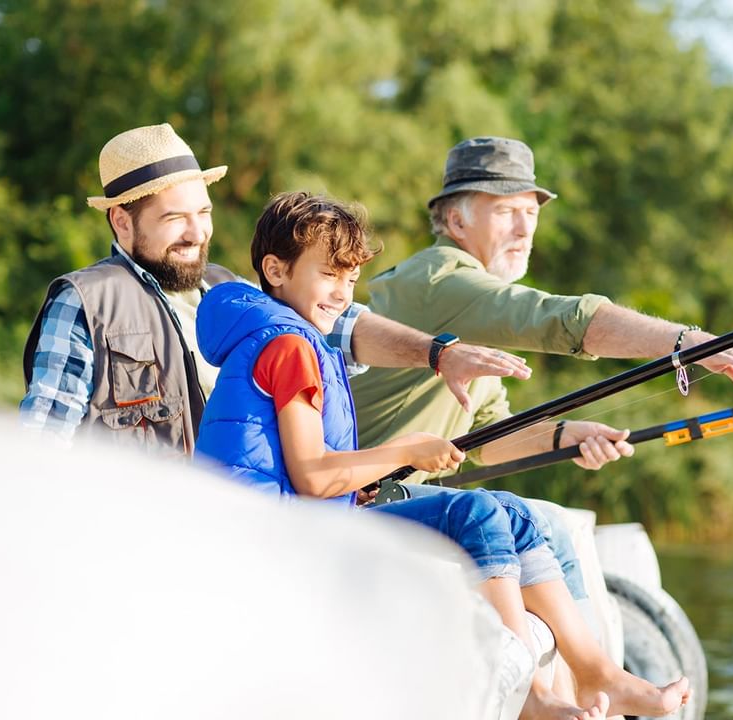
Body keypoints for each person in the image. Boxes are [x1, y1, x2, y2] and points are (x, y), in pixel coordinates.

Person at [193, 191, 691, 719]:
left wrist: (363, 478)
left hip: (312, 515)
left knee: (516, 514)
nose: (342, 295)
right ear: (275, 269)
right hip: (284, 533)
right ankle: (523, 691)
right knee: (474, 512)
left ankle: (598, 676)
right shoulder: (290, 346)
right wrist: (405, 451)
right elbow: (314, 476)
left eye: (351, 280)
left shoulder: (294, 337)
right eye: (328, 276)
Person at [20, 123, 527, 454]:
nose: (197, 233)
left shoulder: (230, 290)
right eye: (175, 218)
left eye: (204, 213)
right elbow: (43, 442)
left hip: (244, 530)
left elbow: (343, 322)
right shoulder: (85, 301)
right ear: (122, 223)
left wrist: (438, 354)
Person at [351, 136, 733, 479]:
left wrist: (567, 437)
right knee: (533, 525)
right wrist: (686, 342)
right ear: (458, 222)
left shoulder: (471, 302)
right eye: (505, 211)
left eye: (530, 212)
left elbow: (485, 437)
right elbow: (559, 319)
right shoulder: (439, 279)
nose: (523, 229)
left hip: (392, 499)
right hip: (356, 495)